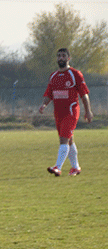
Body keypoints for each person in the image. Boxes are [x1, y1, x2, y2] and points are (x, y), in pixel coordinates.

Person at [38, 48, 93, 177]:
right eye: (59, 56)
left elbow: (84, 94)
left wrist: (88, 111)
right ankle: (75, 168)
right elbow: (49, 94)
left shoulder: (75, 74)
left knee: (63, 140)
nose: (61, 58)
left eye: (63, 56)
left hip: (71, 111)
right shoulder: (54, 76)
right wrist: (44, 105)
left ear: (68, 58)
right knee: (69, 140)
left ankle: (58, 167)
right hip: (58, 113)